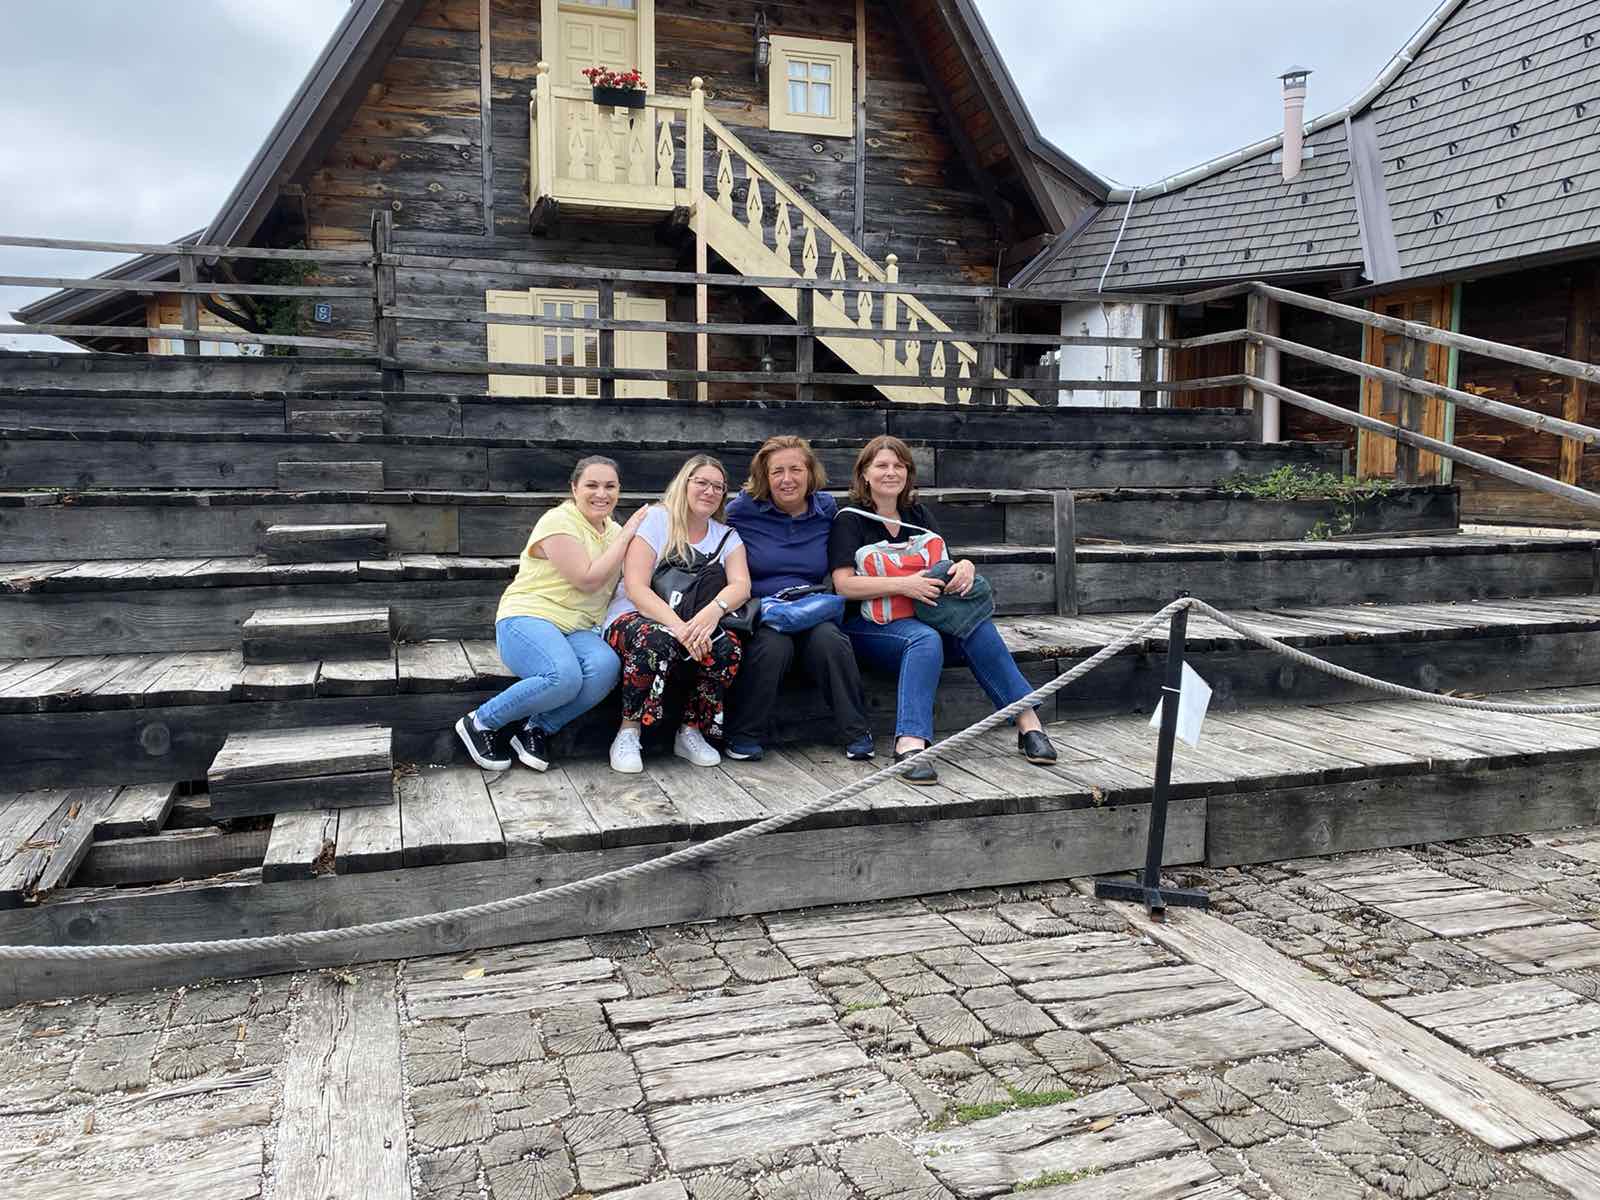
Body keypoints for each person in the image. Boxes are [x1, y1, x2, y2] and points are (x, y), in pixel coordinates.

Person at [829, 434, 1058, 785]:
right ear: (864, 473)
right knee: (924, 639)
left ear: (908, 473)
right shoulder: (849, 521)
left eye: (899, 465)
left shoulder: (918, 514)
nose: (891, 472)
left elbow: (943, 565)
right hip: (871, 626)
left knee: (977, 626)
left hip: (926, 615)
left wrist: (965, 566)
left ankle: (1028, 724)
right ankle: (910, 744)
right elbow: (844, 585)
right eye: (881, 465)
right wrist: (904, 585)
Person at [455, 455, 647, 772]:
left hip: (579, 628)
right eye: (592, 485)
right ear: (574, 488)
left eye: (610, 486)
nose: (602, 494)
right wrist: (628, 534)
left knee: (606, 667)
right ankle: (480, 722)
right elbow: (587, 579)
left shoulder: (614, 531)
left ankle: (537, 727)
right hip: (529, 617)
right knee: (563, 677)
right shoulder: (559, 521)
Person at [724, 435, 873, 762]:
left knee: (830, 641)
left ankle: (856, 732)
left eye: (795, 469)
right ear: (765, 477)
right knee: (773, 647)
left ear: (810, 473)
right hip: (764, 611)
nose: (787, 479)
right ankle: (744, 734)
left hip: (811, 607)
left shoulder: (826, 508)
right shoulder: (742, 510)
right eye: (777, 471)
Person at [603, 454, 751, 773]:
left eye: (718, 487)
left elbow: (741, 586)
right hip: (636, 617)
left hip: (694, 618)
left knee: (727, 645)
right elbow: (637, 588)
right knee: (655, 639)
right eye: (702, 483)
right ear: (684, 484)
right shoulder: (657, 521)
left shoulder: (726, 536)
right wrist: (682, 629)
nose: (710, 491)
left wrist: (712, 613)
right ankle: (628, 731)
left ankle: (690, 730)